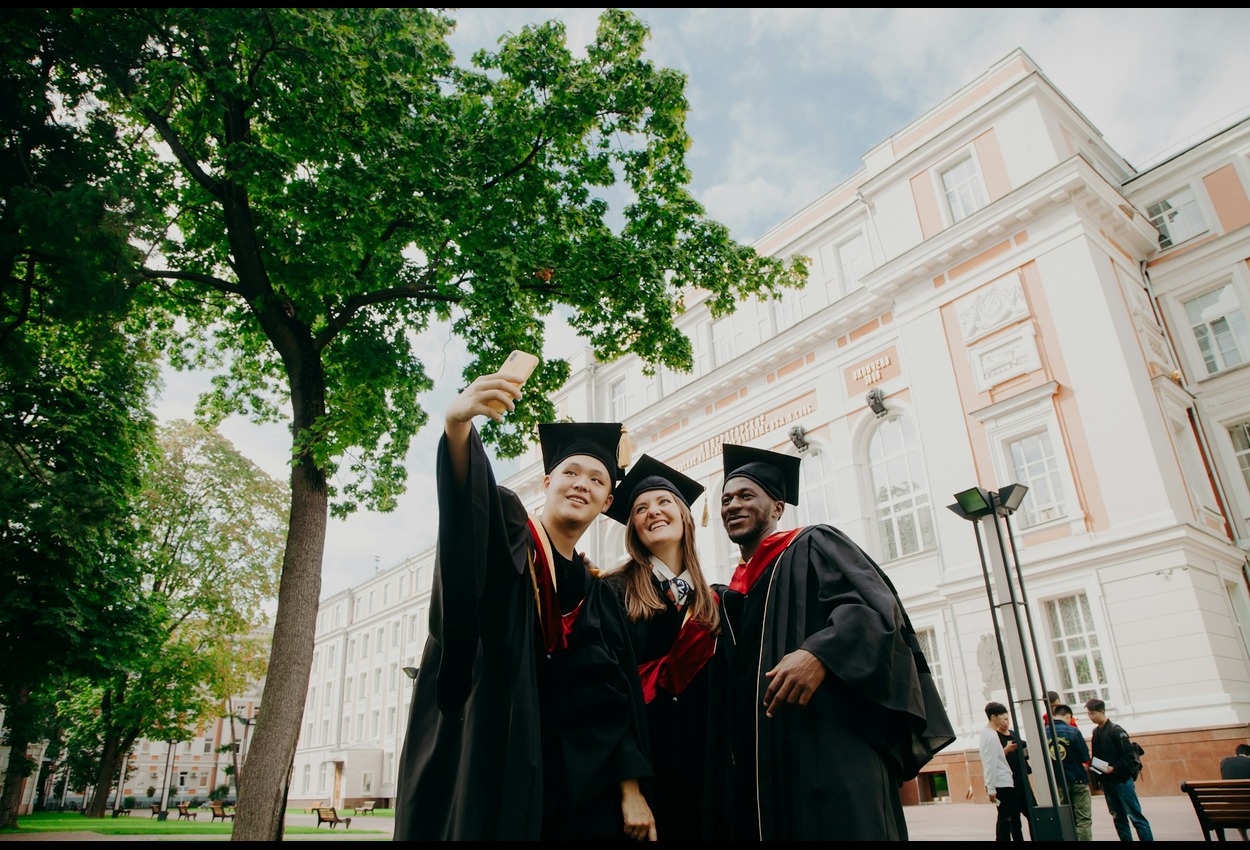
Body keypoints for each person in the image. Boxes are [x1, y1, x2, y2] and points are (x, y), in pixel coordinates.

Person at [393, 367, 656, 842]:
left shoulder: (596, 593)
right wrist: (457, 428)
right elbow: (466, 511)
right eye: (571, 472)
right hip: (483, 736)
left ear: (607, 500)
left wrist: (629, 788)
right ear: (547, 480)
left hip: (557, 770)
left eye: (596, 479)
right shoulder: (510, 528)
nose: (582, 484)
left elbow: (609, 699)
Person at [714, 443, 955, 840]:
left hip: (831, 746)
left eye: (745, 495)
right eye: (726, 499)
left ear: (776, 508)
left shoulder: (813, 543)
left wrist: (819, 653)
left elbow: (874, 610)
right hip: (771, 763)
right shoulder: (735, 594)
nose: (733, 505)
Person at [601, 454, 731, 842]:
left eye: (663, 502)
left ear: (685, 515)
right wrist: (630, 789)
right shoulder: (613, 593)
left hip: (707, 780)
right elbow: (604, 696)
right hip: (645, 781)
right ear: (632, 527)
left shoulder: (714, 605)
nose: (652, 512)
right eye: (640, 508)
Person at [1086, 698, 1153, 842]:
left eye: (1093, 714)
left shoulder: (1116, 731)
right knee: (1118, 817)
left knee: (1135, 816)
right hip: (1108, 782)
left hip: (1122, 780)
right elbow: (1096, 757)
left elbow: (1129, 755)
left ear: (1102, 712)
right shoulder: (1096, 733)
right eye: (1089, 714)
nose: (1091, 717)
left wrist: (1114, 768)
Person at [1047, 703, 1093, 841]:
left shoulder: (1043, 732)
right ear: (1068, 716)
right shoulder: (1074, 731)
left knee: (1062, 819)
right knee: (1083, 819)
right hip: (1078, 779)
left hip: (1057, 783)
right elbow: (1085, 757)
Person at [980, 702, 1024, 842]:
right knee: (1005, 818)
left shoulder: (987, 734)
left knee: (1005, 818)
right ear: (993, 717)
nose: (1005, 721)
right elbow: (990, 763)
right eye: (1002, 717)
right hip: (1002, 783)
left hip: (1001, 782)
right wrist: (991, 786)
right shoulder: (992, 737)